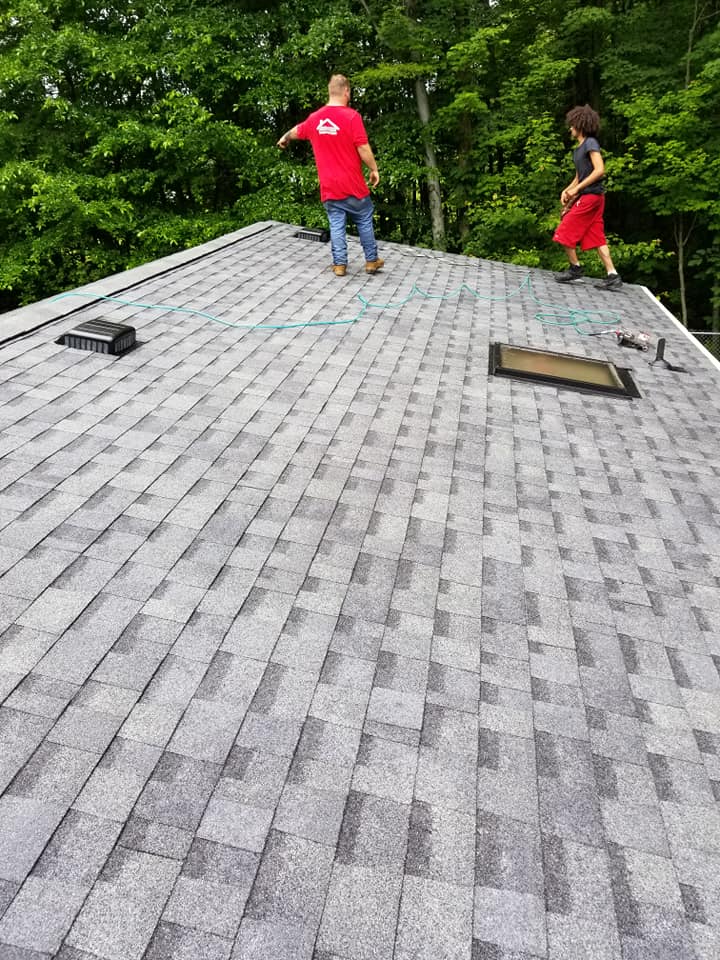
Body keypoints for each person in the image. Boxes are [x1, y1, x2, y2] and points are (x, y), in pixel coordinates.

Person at [277, 74, 383, 278]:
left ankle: (340, 265)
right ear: (346, 92)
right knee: (364, 218)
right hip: (353, 185)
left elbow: (297, 131)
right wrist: (374, 169)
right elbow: (362, 147)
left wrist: (284, 137)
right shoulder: (352, 117)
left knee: (336, 223)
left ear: (330, 91)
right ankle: (371, 261)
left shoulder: (315, 118)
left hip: (329, 187)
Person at [553, 104, 622, 290]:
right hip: (594, 197)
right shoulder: (579, 149)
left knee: (564, 230)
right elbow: (579, 177)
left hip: (591, 197)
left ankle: (575, 268)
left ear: (580, 125)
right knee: (596, 236)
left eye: (572, 125)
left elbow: (599, 170)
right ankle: (612, 275)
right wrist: (567, 190)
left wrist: (577, 190)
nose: (570, 128)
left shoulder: (591, 143)